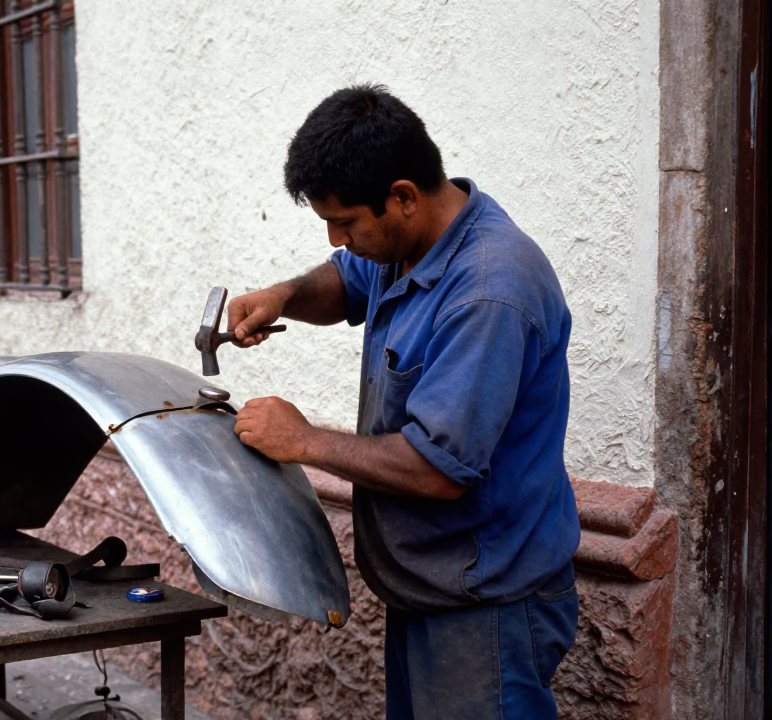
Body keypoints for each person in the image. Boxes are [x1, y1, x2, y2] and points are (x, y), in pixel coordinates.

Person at [227, 84, 581, 719]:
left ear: (403, 196)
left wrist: (303, 441)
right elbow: (346, 282)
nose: (337, 239)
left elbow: (437, 469)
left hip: (486, 607)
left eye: (346, 221)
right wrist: (283, 294)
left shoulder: (488, 293)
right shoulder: (411, 242)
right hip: (430, 588)